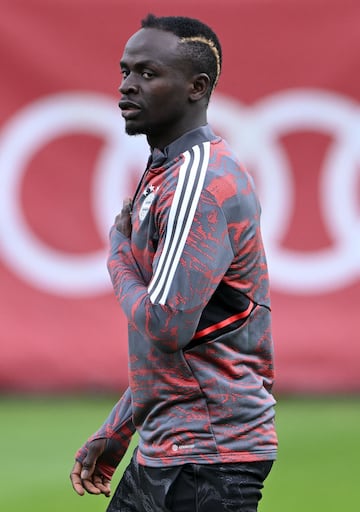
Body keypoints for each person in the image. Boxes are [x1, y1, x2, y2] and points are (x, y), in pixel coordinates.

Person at [70, 13, 277, 512]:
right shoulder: (165, 173)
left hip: (211, 458)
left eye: (147, 73)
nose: (126, 86)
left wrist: (118, 254)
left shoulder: (199, 183)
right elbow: (178, 351)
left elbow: (165, 324)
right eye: (125, 71)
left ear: (196, 87)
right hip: (169, 450)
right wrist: (120, 430)